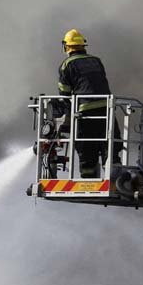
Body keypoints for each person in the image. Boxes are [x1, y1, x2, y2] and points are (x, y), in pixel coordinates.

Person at [57, 29, 121, 178]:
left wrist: (66, 116)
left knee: (87, 149)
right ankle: (114, 178)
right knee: (110, 146)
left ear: (67, 46)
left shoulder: (67, 65)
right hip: (107, 109)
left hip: (86, 113)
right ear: (82, 45)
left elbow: (64, 94)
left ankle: (89, 181)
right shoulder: (96, 60)